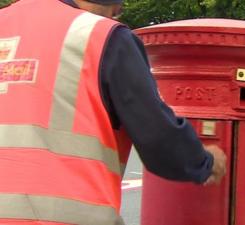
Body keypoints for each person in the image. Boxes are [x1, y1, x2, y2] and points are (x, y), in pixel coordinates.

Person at [0, 0, 227, 224]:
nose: (114, 16)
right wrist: (204, 162)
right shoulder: (101, 35)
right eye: (115, 12)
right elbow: (157, 135)